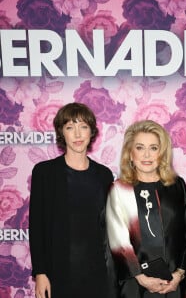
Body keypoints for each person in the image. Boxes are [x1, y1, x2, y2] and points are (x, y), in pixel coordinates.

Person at [29, 102, 117, 298]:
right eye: (70, 127)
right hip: (59, 272)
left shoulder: (104, 175)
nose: (77, 134)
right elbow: (37, 226)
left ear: (92, 132)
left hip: (99, 272)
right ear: (61, 132)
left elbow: (109, 228)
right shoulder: (44, 173)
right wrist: (41, 273)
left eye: (83, 126)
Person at [106, 120, 186, 298]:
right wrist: (141, 277)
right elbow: (118, 241)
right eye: (139, 147)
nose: (146, 155)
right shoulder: (120, 189)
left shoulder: (176, 185)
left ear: (162, 154)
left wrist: (180, 273)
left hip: (174, 284)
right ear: (130, 154)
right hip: (136, 285)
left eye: (153, 148)